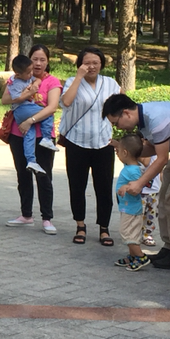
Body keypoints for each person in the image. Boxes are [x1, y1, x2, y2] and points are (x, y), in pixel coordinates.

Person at [102, 94, 170, 267]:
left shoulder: (156, 119)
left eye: (116, 123)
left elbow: (161, 158)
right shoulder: (143, 120)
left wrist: (139, 183)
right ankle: (169, 246)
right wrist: (124, 149)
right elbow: (151, 148)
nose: (117, 128)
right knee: (164, 200)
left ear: (126, 113)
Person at [58, 47, 119, 247]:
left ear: (101, 64)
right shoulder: (72, 81)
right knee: (77, 186)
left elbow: (121, 106)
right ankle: (80, 225)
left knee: (104, 187)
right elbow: (66, 102)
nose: (91, 66)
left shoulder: (110, 83)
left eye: (95, 63)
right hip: (77, 142)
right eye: (87, 63)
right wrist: (78, 77)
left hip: (103, 142)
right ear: (80, 64)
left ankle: (104, 228)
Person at [2, 42, 61, 236]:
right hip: (17, 134)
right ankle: (26, 214)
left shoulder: (52, 81)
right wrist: (25, 94)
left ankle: (47, 218)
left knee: (44, 176)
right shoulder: (17, 79)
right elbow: (5, 99)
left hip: (42, 136)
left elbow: (52, 107)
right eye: (35, 59)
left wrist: (30, 121)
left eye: (42, 59)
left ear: (48, 61)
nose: (38, 63)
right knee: (23, 175)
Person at [5, 54, 56, 172]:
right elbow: (14, 98)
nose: (31, 74)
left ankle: (31, 160)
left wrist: (35, 84)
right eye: (35, 59)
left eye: (42, 60)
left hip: (24, 111)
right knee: (46, 113)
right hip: (22, 109)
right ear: (18, 74)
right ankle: (46, 137)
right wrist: (29, 93)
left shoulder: (27, 77)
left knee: (29, 135)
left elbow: (37, 80)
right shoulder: (16, 82)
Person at [113, 135, 150, 271]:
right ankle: (132, 256)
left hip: (132, 209)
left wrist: (126, 187)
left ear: (125, 153)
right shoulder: (130, 166)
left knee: (127, 233)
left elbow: (138, 188)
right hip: (126, 207)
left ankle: (140, 257)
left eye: (118, 151)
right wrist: (116, 144)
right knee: (129, 232)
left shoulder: (134, 171)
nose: (117, 153)